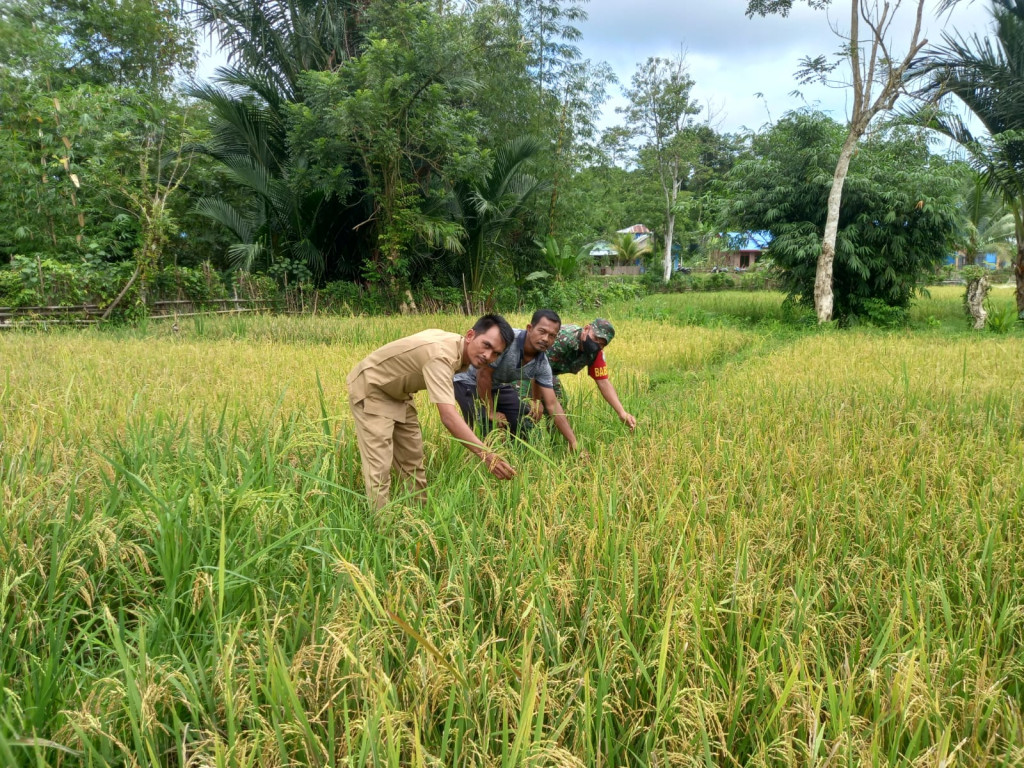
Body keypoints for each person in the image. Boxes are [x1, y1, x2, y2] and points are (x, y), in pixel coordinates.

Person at [347, 314, 516, 509]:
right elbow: (449, 417)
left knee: (412, 461)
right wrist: (487, 455)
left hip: (400, 395)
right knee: (379, 466)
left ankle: (417, 517)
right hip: (372, 389)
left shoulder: (457, 347)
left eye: (495, 353)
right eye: (486, 345)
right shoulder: (441, 355)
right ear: (470, 335)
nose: (488, 356)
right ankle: (380, 529)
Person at [453, 308, 582, 452]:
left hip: (495, 385)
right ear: (530, 328)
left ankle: (516, 458)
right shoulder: (507, 341)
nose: (546, 339)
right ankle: (477, 458)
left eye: (552, 336)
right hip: (466, 380)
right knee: (484, 425)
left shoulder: (542, 364)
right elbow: (483, 374)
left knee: (523, 421)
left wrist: (573, 441)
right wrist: (490, 411)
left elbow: (552, 404)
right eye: (542, 331)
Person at [543, 318, 637, 430]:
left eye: (601, 344)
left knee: (559, 404)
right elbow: (534, 363)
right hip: (525, 367)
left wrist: (622, 412)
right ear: (586, 329)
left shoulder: (595, 353)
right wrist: (535, 399)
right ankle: (522, 441)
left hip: (548, 372)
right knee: (527, 407)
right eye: (595, 338)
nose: (596, 344)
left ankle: (556, 444)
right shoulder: (562, 339)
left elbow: (603, 382)